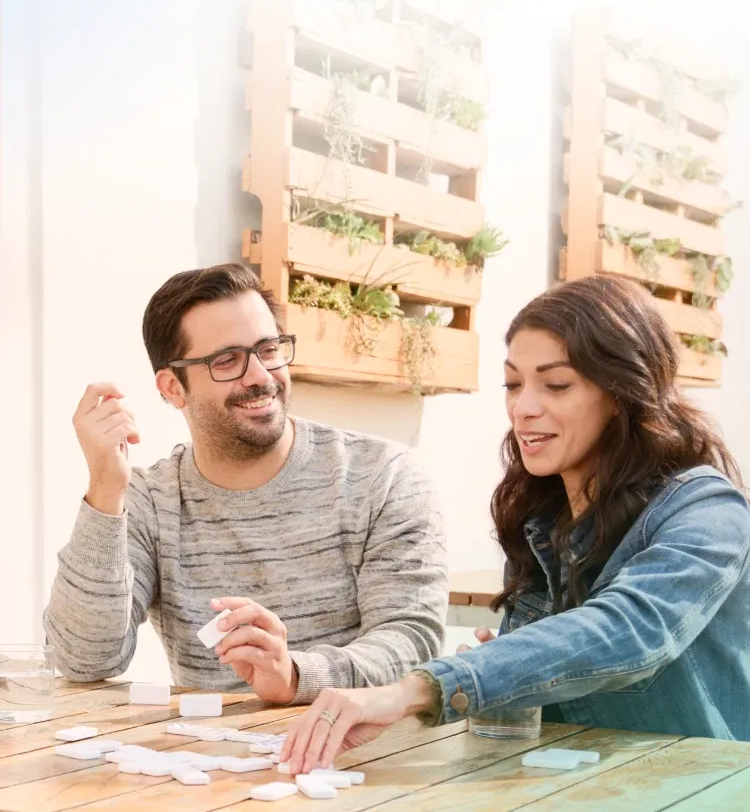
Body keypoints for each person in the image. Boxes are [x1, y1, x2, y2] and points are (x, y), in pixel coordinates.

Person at [281, 274, 750, 769]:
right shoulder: (539, 519)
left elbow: (629, 629)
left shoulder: (707, 511)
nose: (522, 408)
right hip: (581, 798)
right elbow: (565, 684)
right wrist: (510, 677)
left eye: (556, 385)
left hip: (706, 806)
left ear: (620, 393)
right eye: (512, 384)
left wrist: (423, 687)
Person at [44, 263, 448, 703]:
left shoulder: (382, 476)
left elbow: (413, 642)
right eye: (227, 361)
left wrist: (296, 675)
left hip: (361, 759)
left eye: (269, 349)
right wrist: (105, 488)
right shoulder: (152, 500)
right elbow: (83, 660)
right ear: (173, 388)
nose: (259, 376)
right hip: (207, 761)